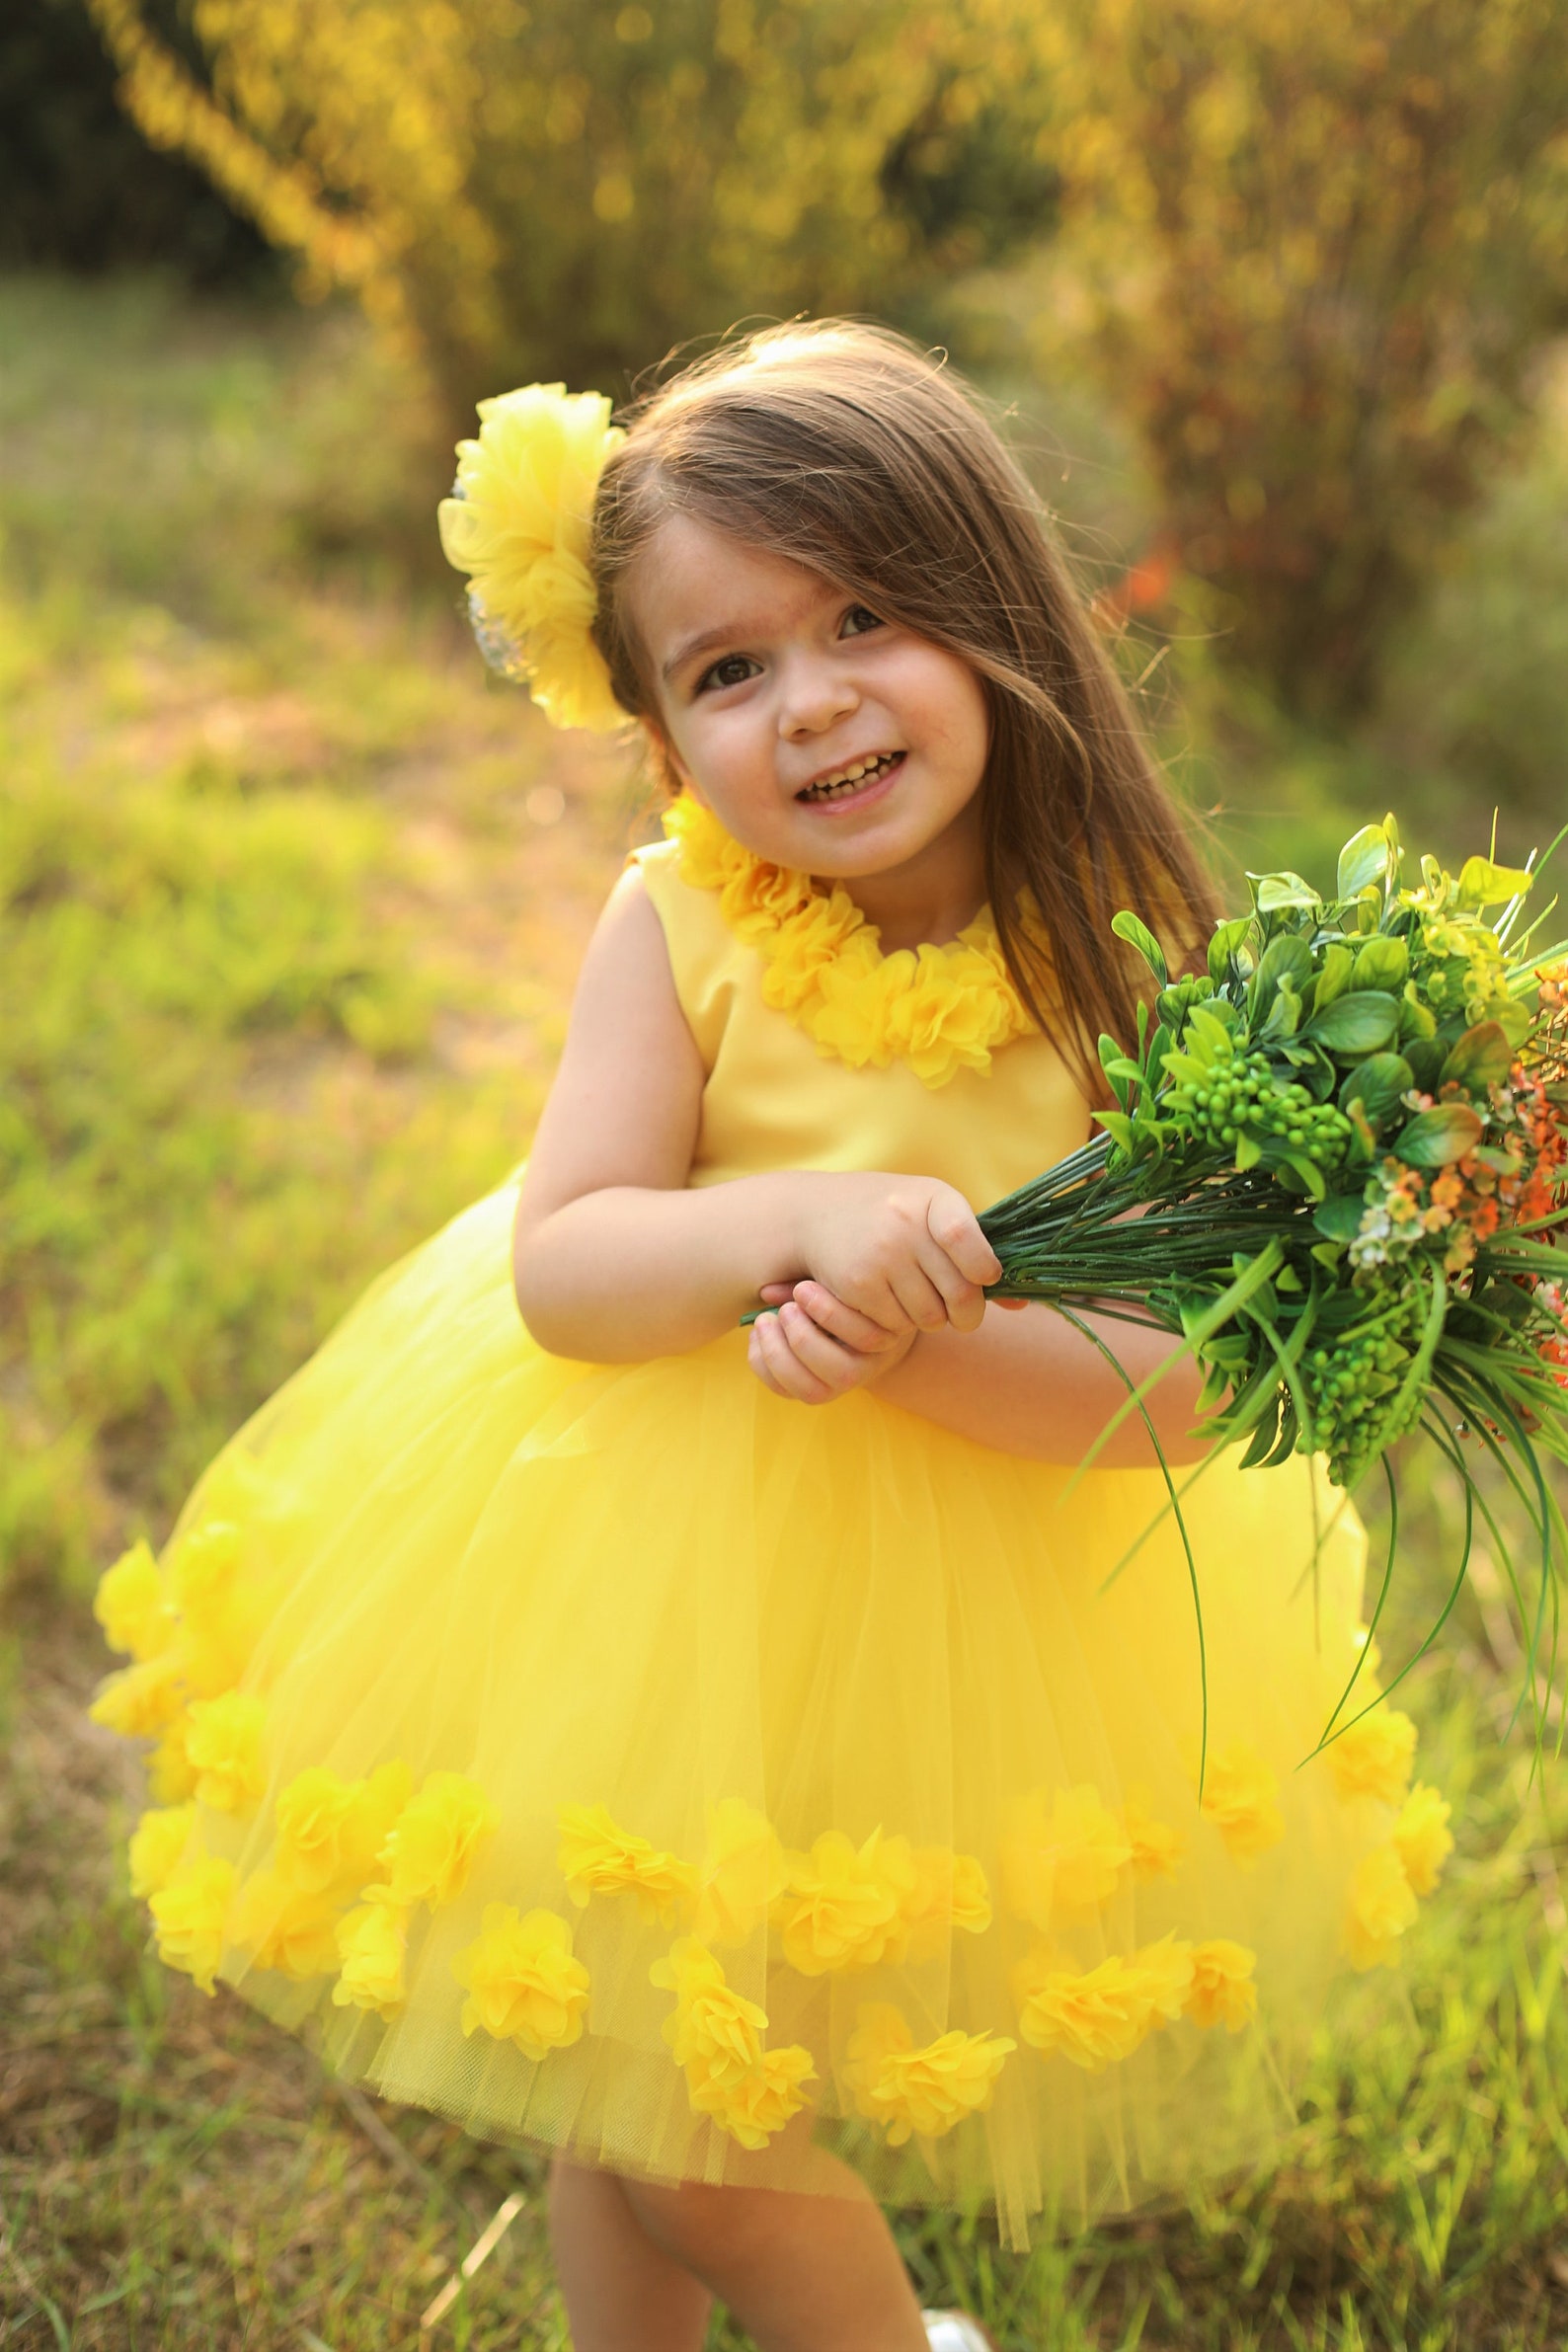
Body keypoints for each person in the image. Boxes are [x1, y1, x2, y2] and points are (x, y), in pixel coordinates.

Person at [88, 323, 1451, 2352]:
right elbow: (570, 1264)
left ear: (994, 613)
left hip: (977, 1614)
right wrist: (789, 1228)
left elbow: (1177, 1393)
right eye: (726, 672)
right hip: (651, 1591)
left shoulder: (1128, 958)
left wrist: (911, 1344)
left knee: (679, 2093)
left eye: (863, 618)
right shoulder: (682, 925)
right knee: (639, 2086)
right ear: (658, 733)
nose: (807, 704)